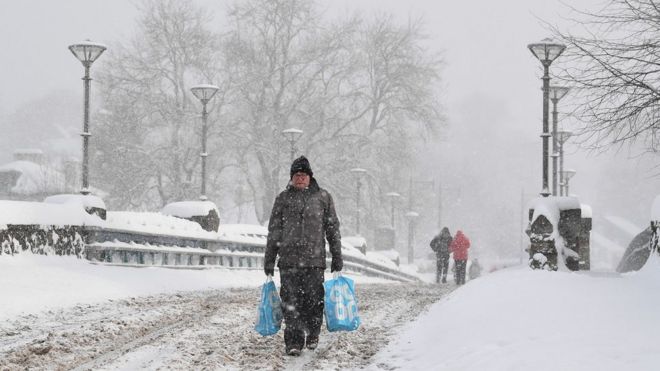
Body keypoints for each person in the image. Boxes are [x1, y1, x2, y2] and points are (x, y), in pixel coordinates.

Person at [264, 155, 343, 357]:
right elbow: (274, 231)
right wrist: (269, 259)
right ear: (292, 178)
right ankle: (294, 342)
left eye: (304, 175)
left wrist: (337, 255)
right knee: (290, 303)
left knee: (314, 301)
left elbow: (332, 229)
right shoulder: (283, 199)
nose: (300, 178)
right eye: (297, 175)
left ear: (310, 177)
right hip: (289, 261)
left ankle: (313, 333)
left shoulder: (323, 198)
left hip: (314, 262)